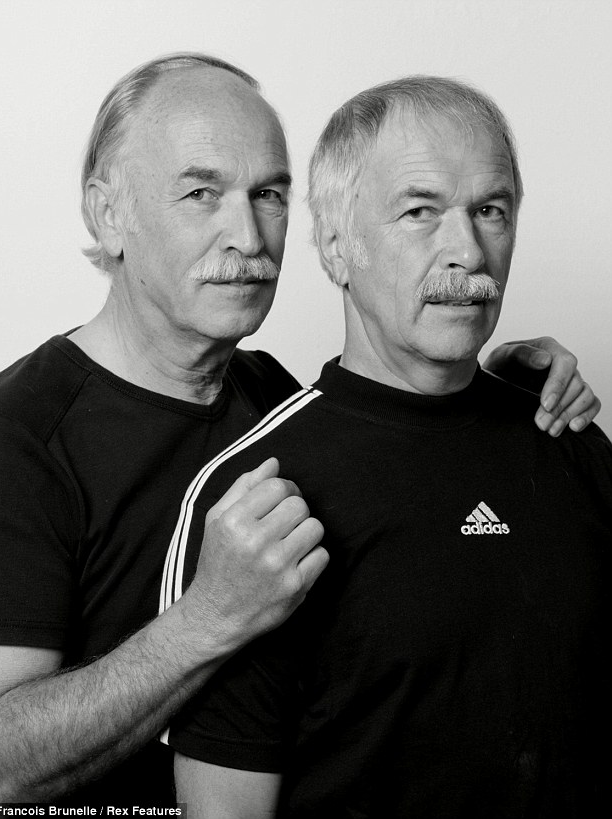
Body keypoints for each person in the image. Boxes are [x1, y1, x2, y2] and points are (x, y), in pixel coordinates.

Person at [0, 54, 599, 806]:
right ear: (109, 214)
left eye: (269, 195)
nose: (248, 236)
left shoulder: (270, 392)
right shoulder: (15, 437)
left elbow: (390, 433)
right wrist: (205, 620)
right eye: (201, 193)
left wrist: (496, 384)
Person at [167, 76, 612, 817]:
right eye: (419, 211)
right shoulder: (255, 495)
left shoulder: (569, 440)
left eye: (491, 211)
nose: (467, 251)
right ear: (337, 247)